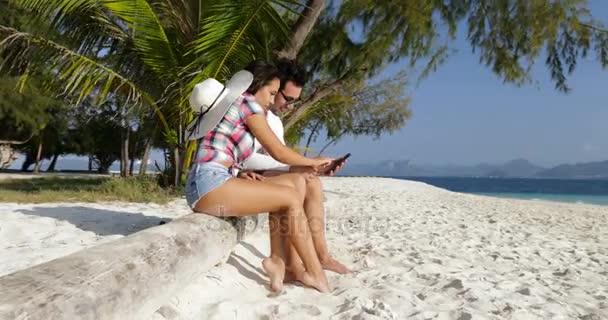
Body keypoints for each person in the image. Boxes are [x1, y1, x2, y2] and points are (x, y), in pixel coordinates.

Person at [184, 61, 332, 293]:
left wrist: (241, 171)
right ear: (257, 85)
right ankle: (315, 273)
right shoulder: (247, 103)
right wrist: (314, 161)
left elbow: (224, 152)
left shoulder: (236, 106)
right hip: (208, 184)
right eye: (272, 93)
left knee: (294, 183)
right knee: (291, 198)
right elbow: (278, 152)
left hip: (213, 180)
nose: (273, 100)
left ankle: (282, 262)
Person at [241, 59, 351, 279]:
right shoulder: (249, 109)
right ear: (272, 86)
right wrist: (300, 165)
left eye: (294, 101)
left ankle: (321, 256)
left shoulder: (274, 121)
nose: (289, 106)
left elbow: (278, 158)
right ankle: (291, 262)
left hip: (260, 173)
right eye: (287, 99)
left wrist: (309, 168)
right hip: (241, 174)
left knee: (311, 181)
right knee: (300, 179)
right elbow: (246, 157)